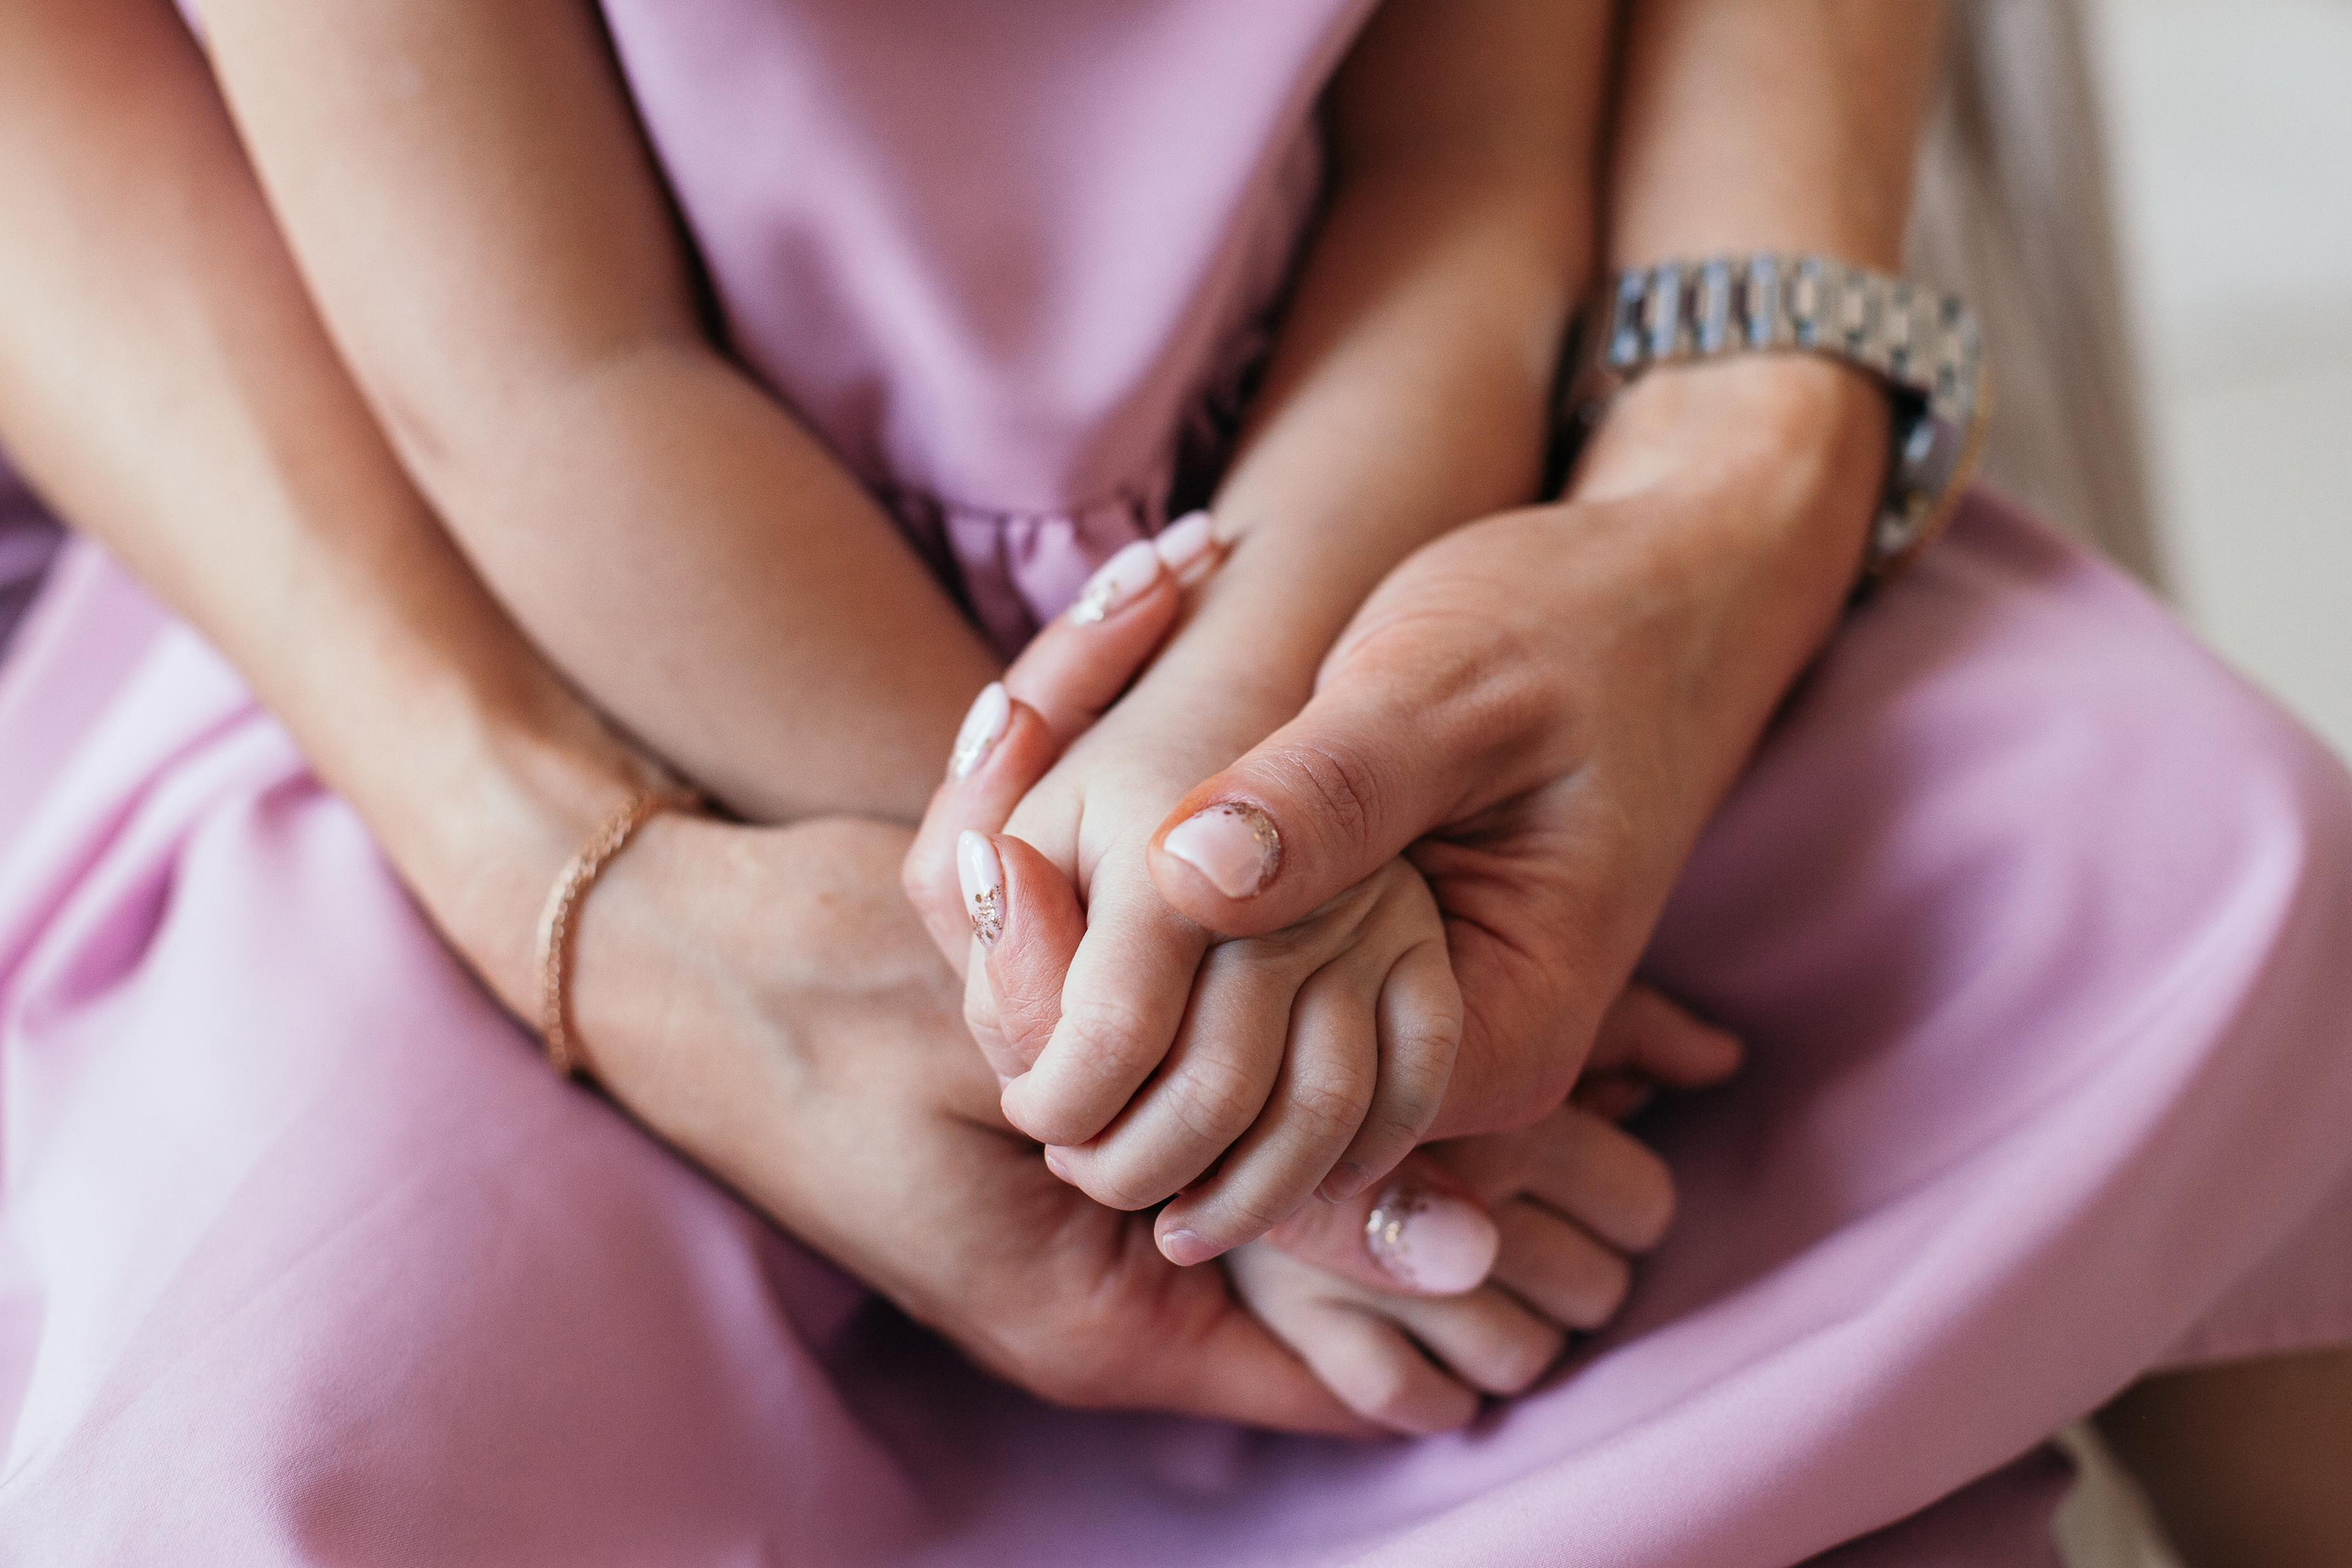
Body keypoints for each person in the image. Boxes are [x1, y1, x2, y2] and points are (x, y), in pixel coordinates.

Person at [1, 4, 2347, 1568]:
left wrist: (1258, 768)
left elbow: (1466, 188)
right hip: (630, 676)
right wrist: (1084, 962)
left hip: (1383, 585)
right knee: (297, 1406)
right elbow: (547, 394)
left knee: (2194, 862)